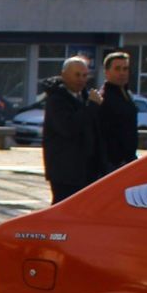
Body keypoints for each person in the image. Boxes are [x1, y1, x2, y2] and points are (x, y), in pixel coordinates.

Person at [42, 56, 104, 204]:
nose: (81, 80)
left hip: (86, 168)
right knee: (64, 208)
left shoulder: (85, 96)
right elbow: (68, 128)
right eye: (77, 75)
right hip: (65, 171)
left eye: (84, 75)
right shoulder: (56, 99)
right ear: (64, 75)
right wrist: (92, 107)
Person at [97, 50, 141, 172]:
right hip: (113, 163)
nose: (122, 73)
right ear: (106, 72)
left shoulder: (127, 94)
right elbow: (103, 135)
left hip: (128, 160)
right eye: (117, 69)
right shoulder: (103, 98)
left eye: (125, 69)